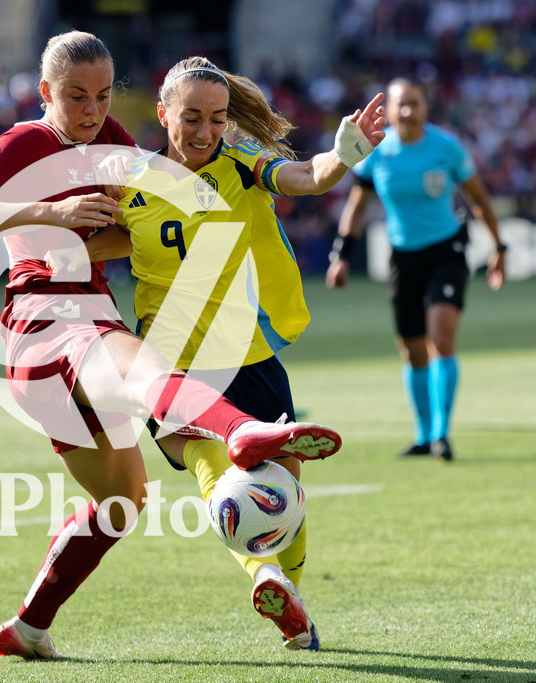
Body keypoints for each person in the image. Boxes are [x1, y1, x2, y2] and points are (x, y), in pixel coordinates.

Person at [0, 32, 343, 660]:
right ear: (46, 93)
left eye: (102, 95)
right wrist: (53, 214)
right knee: (143, 364)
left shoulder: (120, 149)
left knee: (121, 502)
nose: (91, 110)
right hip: (48, 317)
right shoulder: (27, 142)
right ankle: (240, 432)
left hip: (73, 333)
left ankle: (28, 628)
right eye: (74, 97)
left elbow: (143, 231)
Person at [50, 55, 385, 651]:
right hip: (167, 366)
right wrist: (51, 254)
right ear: (162, 115)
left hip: (246, 356)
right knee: (218, 477)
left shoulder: (242, 165)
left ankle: (284, 591)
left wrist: (347, 154)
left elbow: (306, 177)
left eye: (218, 119)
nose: (205, 132)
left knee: (285, 494)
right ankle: (273, 580)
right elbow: (100, 240)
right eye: (191, 118)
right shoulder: (132, 181)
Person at [325, 77, 506, 461]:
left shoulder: (446, 147)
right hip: (403, 257)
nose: (407, 111)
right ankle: (423, 436)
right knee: (411, 349)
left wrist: (498, 247)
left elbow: (478, 199)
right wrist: (341, 255)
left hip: (447, 250)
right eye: (400, 104)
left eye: (415, 103)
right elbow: (357, 206)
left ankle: (442, 436)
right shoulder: (376, 152)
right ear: (387, 111)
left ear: (426, 108)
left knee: (440, 339)